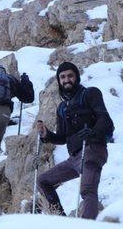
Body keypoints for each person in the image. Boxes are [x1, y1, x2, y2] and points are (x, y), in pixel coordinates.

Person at [34, 62, 114, 219]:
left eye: (70, 75)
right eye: (62, 77)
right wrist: (46, 135)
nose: (66, 80)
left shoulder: (90, 94)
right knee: (43, 181)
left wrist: (93, 132)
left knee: (87, 190)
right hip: (74, 157)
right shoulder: (62, 108)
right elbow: (63, 137)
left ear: (77, 77)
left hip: (92, 149)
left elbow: (105, 120)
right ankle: (61, 221)